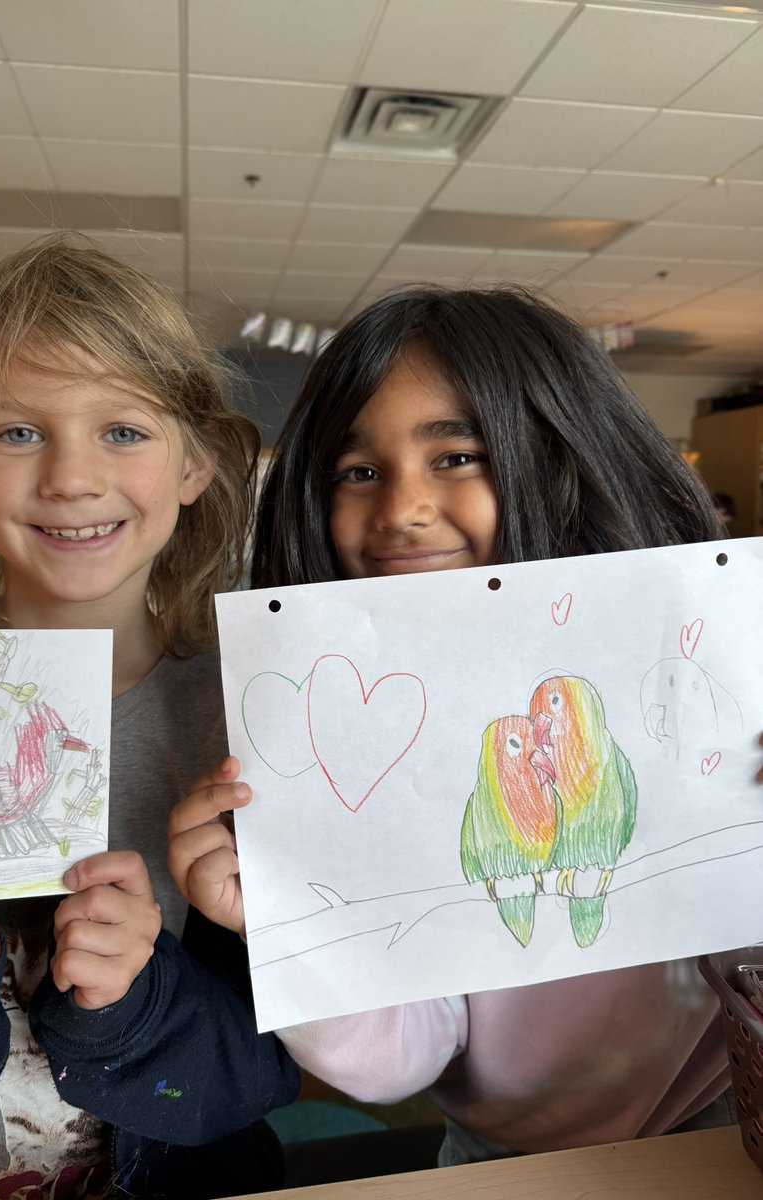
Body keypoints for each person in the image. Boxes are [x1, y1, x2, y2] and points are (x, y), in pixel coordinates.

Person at [168, 285, 760, 1169]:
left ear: (562, 454)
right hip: (498, 1163)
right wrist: (293, 929)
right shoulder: (363, 745)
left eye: (457, 455)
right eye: (357, 472)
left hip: (731, 1123)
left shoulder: (705, 662)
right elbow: (398, 1057)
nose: (401, 507)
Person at [0, 235, 298, 1200]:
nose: (68, 476)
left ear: (196, 465)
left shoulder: (251, 714)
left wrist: (135, 1009)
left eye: (124, 432)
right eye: (18, 432)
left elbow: (265, 1071)